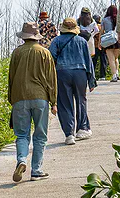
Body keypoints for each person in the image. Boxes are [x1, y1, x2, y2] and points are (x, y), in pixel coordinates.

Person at [8, 22, 58, 182]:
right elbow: (51, 80)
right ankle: (36, 170)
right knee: (40, 135)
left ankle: (22, 160)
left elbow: (11, 77)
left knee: (22, 135)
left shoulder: (16, 53)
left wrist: (12, 99)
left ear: (24, 37)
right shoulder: (44, 53)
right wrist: (54, 101)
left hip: (20, 98)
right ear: (37, 37)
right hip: (40, 98)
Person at [48, 18, 96, 145]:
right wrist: (91, 81)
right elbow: (88, 61)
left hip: (62, 73)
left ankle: (69, 134)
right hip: (80, 73)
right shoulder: (82, 41)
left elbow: (50, 58)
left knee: (64, 103)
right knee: (81, 100)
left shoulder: (56, 41)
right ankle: (82, 129)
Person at [102, 5, 120, 82]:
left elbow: (102, 31)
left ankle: (114, 76)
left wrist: (100, 42)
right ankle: (116, 73)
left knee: (111, 59)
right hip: (117, 40)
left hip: (108, 40)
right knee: (116, 58)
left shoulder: (104, 20)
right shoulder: (118, 19)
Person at [91, 14, 108, 79]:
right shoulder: (102, 26)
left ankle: (92, 75)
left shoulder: (92, 26)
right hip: (102, 45)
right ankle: (103, 76)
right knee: (103, 61)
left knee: (93, 61)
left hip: (94, 46)